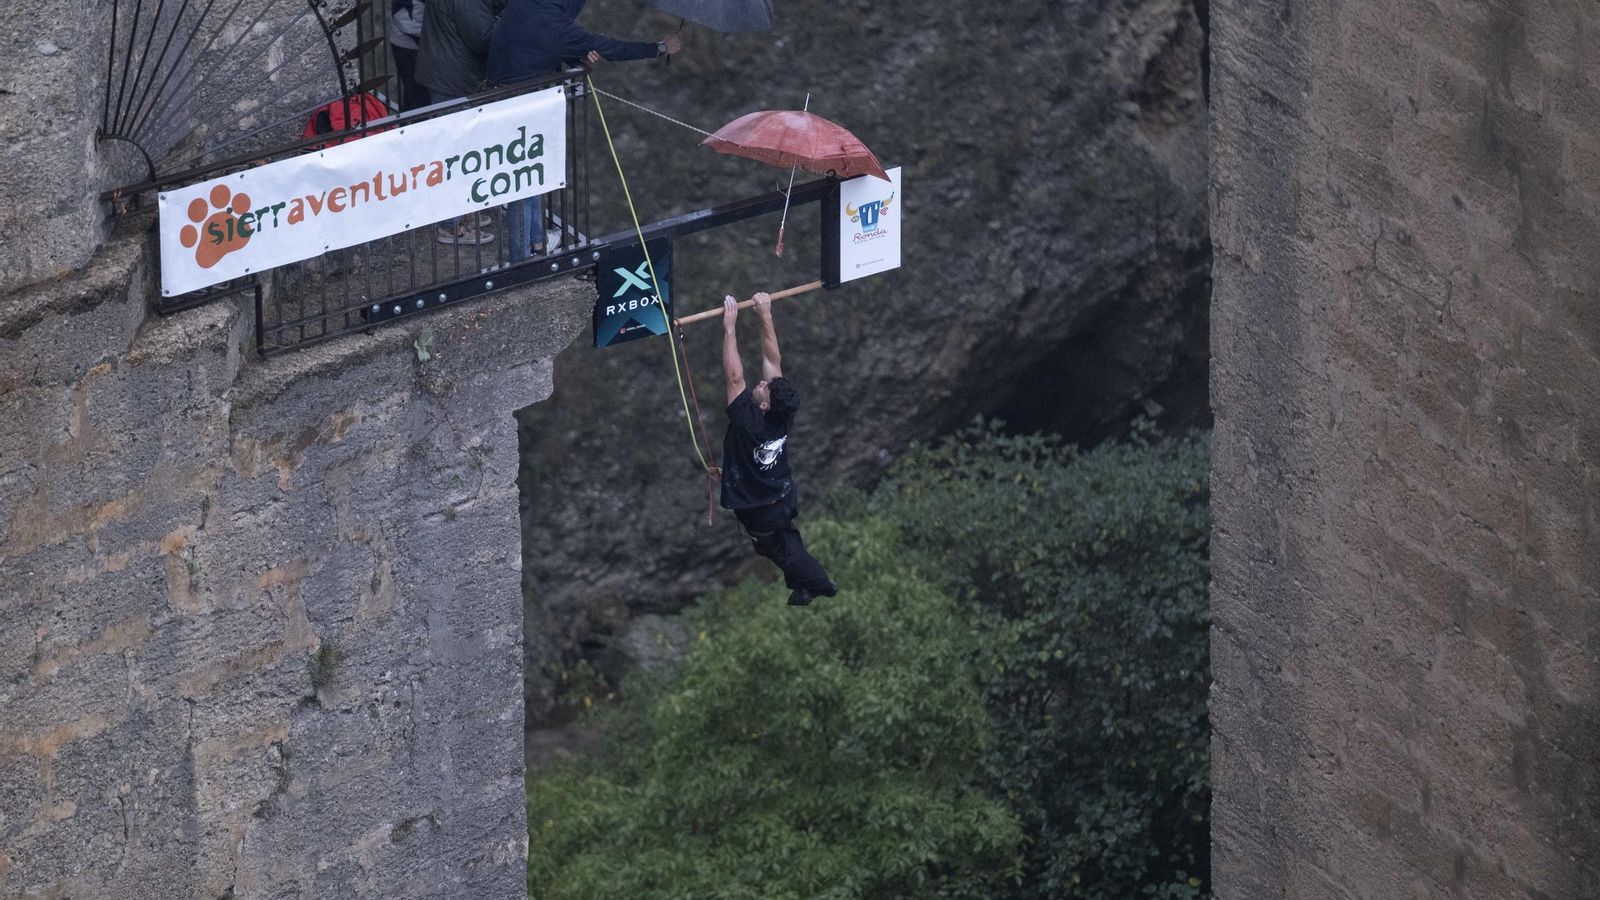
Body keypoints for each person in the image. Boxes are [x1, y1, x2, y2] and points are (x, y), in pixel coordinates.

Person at [487, 0, 682, 260]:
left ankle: (535, 244)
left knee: (530, 175)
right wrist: (661, 47)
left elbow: (537, 43)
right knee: (523, 183)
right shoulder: (556, 25)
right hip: (524, 108)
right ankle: (521, 260)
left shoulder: (526, 6)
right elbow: (611, 48)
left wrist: (576, 54)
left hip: (503, 99)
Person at [719, 292, 838, 607]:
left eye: (764, 388)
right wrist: (765, 314)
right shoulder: (782, 412)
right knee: (785, 547)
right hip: (777, 497)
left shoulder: (749, 421)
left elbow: (734, 376)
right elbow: (773, 361)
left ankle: (819, 586)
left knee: (783, 551)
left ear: (766, 404)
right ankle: (814, 586)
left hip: (764, 504)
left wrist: (730, 326)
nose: (761, 383)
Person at [417, 0, 499, 245]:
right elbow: (482, 38)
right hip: (455, 78)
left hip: (445, 71)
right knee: (454, 154)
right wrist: (508, 21)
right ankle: (451, 226)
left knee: (454, 149)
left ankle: (461, 215)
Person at [389, 0, 430, 112]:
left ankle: (407, 124)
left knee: (414, 96)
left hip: (416, 42)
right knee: (418, 98)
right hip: (409, 45)